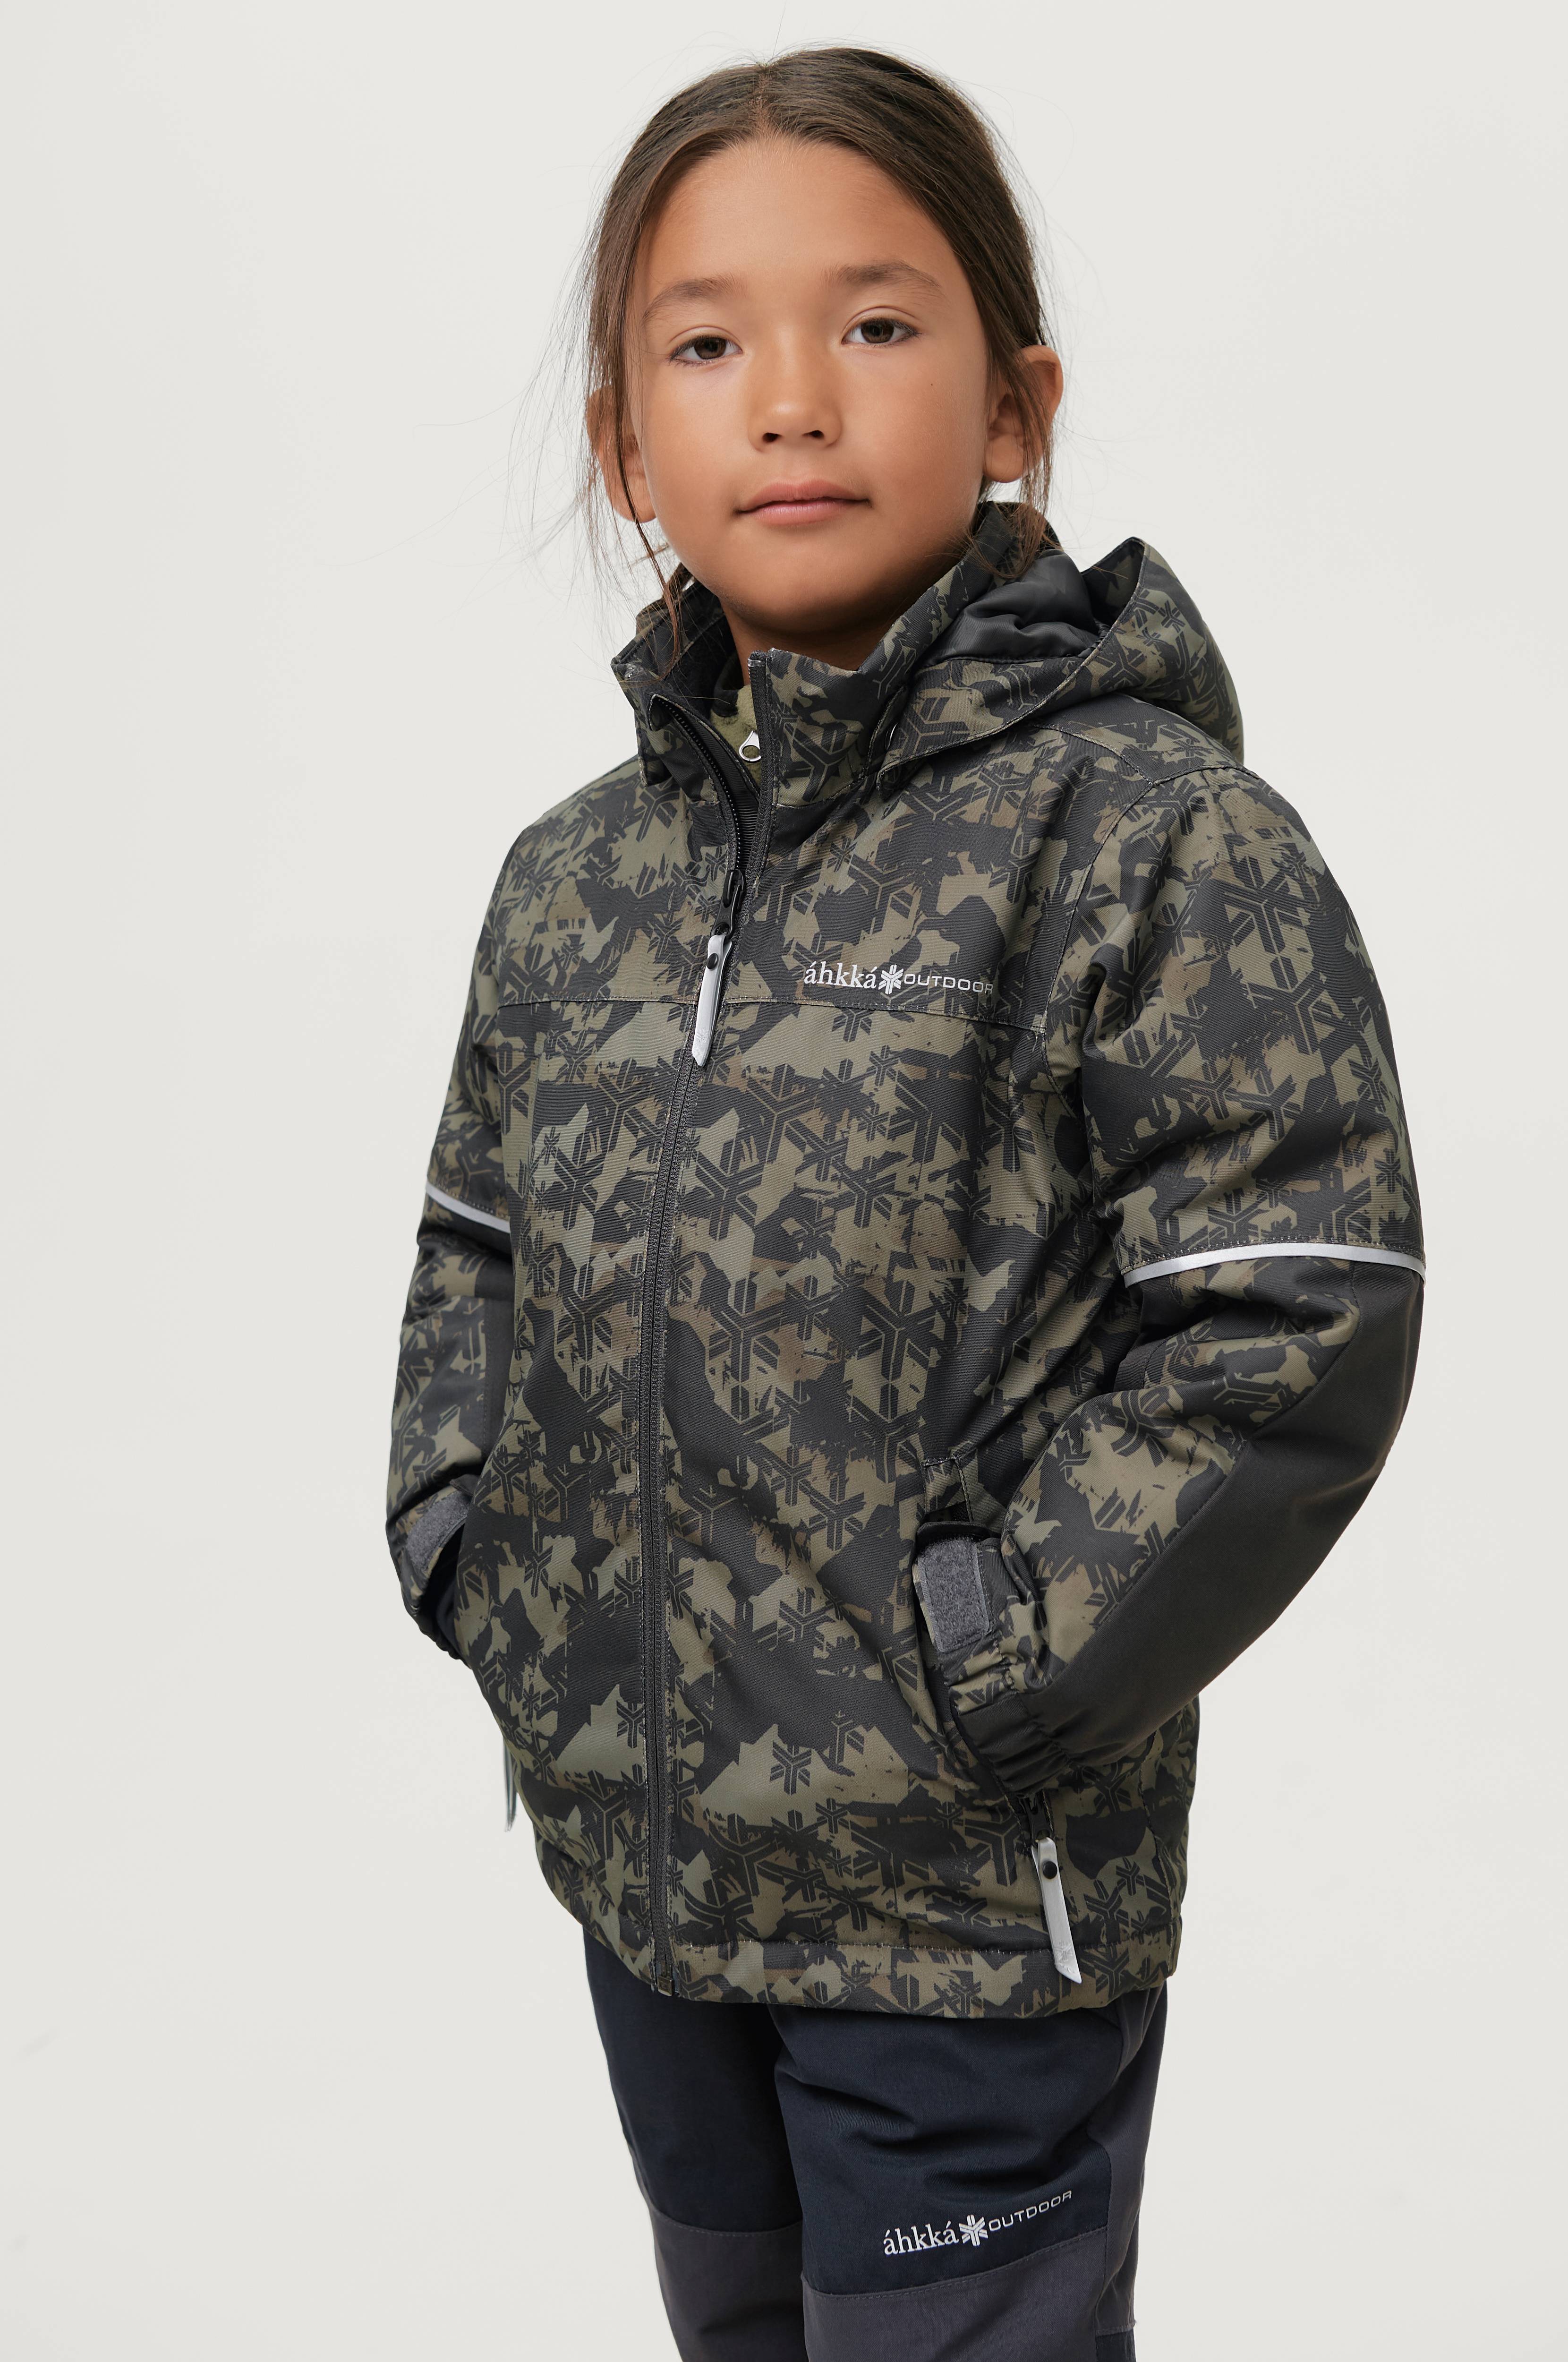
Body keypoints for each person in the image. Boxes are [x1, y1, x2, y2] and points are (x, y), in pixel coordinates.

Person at [386, 47, 1423, 2361]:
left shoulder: (1141, 838)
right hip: (649, 1877)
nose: (790, 396)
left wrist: (994, 1661)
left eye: (871, 322)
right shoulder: (574, 882)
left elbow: (1296, 1297)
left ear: (1014, 402)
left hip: (962, 1911)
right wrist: (477, 1545)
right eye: (704, 342)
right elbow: (477, 1240)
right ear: (621, 448)